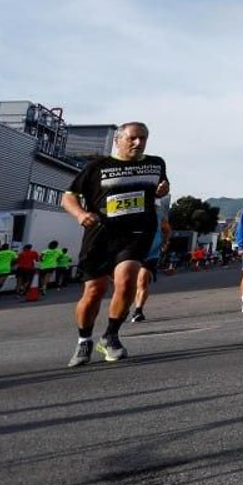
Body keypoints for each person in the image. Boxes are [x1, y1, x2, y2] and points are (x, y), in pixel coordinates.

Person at [60, 122, 170, 366]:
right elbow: (68, 197)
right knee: (94, 291)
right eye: (133, 138)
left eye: (143, 138)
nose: (138, 143)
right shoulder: (97, 167)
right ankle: (84, 340)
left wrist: (162, 191)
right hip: (101, 234)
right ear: (118, 140)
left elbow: (161, 188)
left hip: (136, 232)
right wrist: (80, 214)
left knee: (128, 277)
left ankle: (110, 336)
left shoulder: (155, 163)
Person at [131, 196, 173, 323]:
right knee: (133, 284)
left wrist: (165, 243)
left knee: (142, 282)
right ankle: (133, 306)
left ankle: (138, 310)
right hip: (134, 253)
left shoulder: (160, 217)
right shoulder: (134, 217)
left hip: (152, 254)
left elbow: (167, 230)